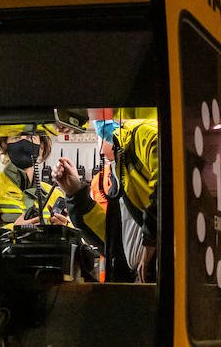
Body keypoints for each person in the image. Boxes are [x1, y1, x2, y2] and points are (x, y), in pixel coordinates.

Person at [51, 108, 158, 282]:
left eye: (100, 140)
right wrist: (76, 194)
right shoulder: (121, 169)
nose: (100, 151)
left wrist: (150, 245)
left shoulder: (145, 133)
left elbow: (168, 181)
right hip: (135, 280)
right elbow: (113, 238)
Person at [0, 127, 70, 229]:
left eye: (30, 137)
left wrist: (63, 230)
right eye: (16, 137)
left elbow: (75, 242)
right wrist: (13, 232)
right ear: (5, 146)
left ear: (41, 147)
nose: (23, 143)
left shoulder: (55, 195)